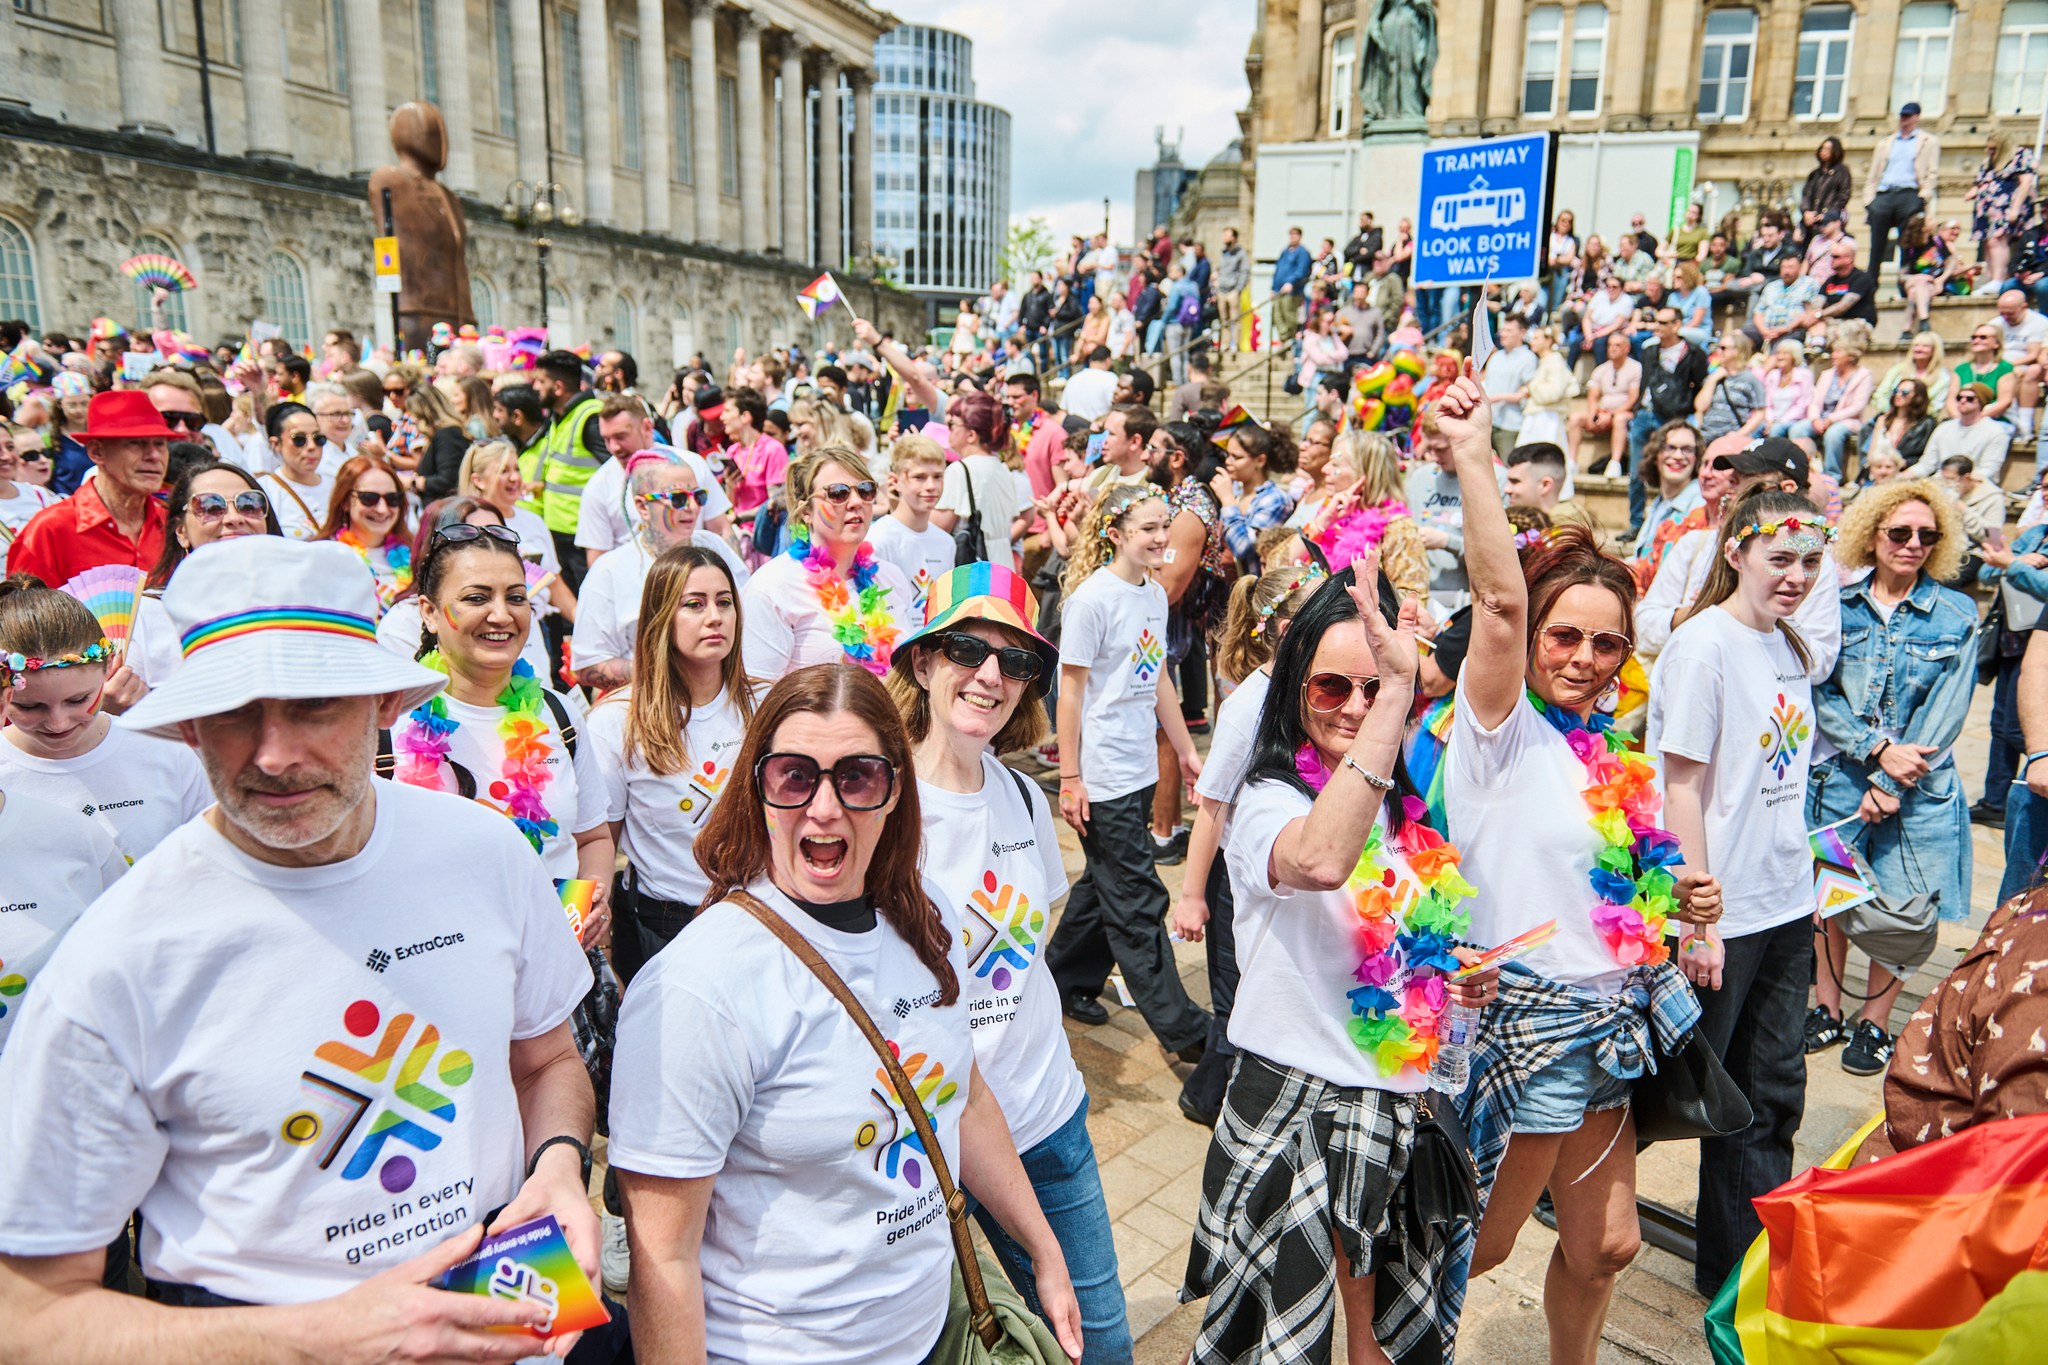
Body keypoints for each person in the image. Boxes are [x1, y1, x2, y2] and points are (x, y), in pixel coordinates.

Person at [0, 535, 602, 1358]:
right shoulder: (119, 956)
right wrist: (320, 1337)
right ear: (188, 731)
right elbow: (27, 1317)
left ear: (385, 706)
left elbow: (546, 1061)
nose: (274, 755)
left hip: (503, 1288)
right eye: (235, 714)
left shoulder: (486, 851)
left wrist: (560, 1166)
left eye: (314, 706)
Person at [608, 663, 1084, 1364]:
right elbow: (663, 1260)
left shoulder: (928, 919)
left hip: (932, 1334)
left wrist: (1043, 1247)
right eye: (794, 775)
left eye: (857, 776)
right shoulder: (698, 988)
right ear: (757, 787)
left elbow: (966, 1094)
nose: (824, 807)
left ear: (895, 790)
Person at [1435, 374, 1715, 1363]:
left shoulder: (1610, 757)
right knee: (1471, 1250)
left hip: (1611, 1022)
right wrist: (1473, 452)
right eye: (1565, 635)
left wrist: (1674, 896)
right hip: (1519, 1024)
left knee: (1606, 1244)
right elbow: (1497, 606)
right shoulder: (1494, 733)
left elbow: (1616, 891)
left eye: (1606, 642)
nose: (1585, 657)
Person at [1180, 564, 1500, 1363]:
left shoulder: (1395, 806)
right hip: (1298, 1109)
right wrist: (1397, 692)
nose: (1355, 706)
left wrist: (1454, 976)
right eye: (1332, 688)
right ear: (1295, 687)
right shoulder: (1268, 800)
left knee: (1370, 1346)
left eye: (1372, 687)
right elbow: (1321, 860)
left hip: (1390, 1106)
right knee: (1288, 1347)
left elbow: (1394, 943)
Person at [883, 564, 1133, 1362]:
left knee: (1103, 1343)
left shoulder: (1022, 796)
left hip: (1046, 1118)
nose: (990, 674)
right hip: (921, 1146)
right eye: (966, 647)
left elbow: (1028, 955)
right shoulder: (877, 811)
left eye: (1016, 661)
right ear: (923, 662)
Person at [1649, 484, 1829, 1296]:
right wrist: (1697, 918)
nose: (1795, 575)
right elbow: (1680, 785)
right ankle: (1564, 1181)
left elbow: (1780, 774)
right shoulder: (1704, 645)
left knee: (1771, 1091)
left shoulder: (1790, 644)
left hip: (1789, 902)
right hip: (1724, 911)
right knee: (1674, 1084)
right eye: (1779, 557)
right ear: (1736, 552)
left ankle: (1740, 1267)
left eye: (1810, 561)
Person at [1806, 481, 1977, 1076]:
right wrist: (1875, 749)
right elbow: (1820, 689)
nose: (1912, 545)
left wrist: (1894, 780)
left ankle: (1875, 1022)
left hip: (1919, 789)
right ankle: (1826, 1007)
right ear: (1872, 533)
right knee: (1833, 897)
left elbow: (1947, 711)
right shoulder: (1837, 603)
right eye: (1899, 532)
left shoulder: (1958, 613)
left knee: (1903, 908)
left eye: (1927, 536)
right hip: (1841, 779)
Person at [1045, 482, 1211, 1057]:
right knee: (1138, 898)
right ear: (1114, 533)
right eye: (1147, 527)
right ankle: (1187, 1031)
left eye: (1163, 524)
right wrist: (1070, 778)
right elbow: (1070, 694)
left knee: (1105, 881)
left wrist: (1184, 748)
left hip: (1140, 768)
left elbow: (1158, 674)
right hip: (1103, 773)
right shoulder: (1093, 600)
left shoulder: (1153, 596)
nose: (1161, 536)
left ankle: (1061, 979)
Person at [1170, 560, 1327, 1128]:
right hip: (1234, 876)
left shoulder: (1299, 691)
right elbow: (1211, 805)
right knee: (1236, 996)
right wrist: (1191, 895)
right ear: (1281, 628)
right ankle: (1209, 1097)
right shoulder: (1246, 705)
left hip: (1272, 870)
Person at [589, 544, 758, 988]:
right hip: (662, 931)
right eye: (694, 605)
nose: (715, 617)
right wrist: (602, 954)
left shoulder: (764, 705)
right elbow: (597, 841)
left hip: (758, 919)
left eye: (724, 603)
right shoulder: (616, 720)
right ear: (661, 617)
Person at [0, 571, 210, 863]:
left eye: (78, 700)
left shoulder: (167, 755)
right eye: (29, 707)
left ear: (109, 666)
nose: (58, 722)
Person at [0, 641, 125, 1054]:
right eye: (38, 707)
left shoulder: (77, 838)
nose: (57, 723)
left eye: (77, 699)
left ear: (4, 698)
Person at [1638, 439, 1842, 677]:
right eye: (1779, 560)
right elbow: (1643, 628)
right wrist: (1700, 612)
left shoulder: (1814, 564)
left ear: (1785, 488)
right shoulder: (1696, 544)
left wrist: (1758, 621)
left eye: (1748, 473)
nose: (1731, 480)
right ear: (1734, 556)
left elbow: (1820, 661)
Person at [572, 452, 749, 690]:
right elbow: (588, 666)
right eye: (677, 498)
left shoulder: (715, 547)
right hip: (649, 709)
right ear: (642, 506)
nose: (692, 507)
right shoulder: (609, 571)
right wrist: (669, 671)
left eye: (698, 496)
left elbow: (749, 619)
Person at [740, 447, 914, 681]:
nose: (855, 502)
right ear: (805, 512)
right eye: (838, 493)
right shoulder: (772, 587)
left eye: (865, 490)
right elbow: (757, 695)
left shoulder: (890, 576)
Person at [125, 461, 284, 694]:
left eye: (249, 504)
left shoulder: (302, 604)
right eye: (210, 507)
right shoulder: (147, 616)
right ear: (181, 532)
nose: (234, 518)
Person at [5, 391, 170, 585]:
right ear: (96, 452)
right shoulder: (50, 529)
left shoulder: (171, 522)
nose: (154, 456)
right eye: (136, 443)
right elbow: (22, 612)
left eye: (160, 444)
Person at [867, 434, 955, 614]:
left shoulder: (946, 543)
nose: (931, 486)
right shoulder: (878, 539)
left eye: (938, 476)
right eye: (919, 477)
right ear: (895, 481)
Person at [317, 453, 414, 617]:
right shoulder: (324, 556)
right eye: (369, 498)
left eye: (392, 498)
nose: (382, 509)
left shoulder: (415, 555)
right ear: (345, 501)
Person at [933, 392, 1022, 566]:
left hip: (976, 570)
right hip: (1004, 563)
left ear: (971, 435)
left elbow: (936, 529)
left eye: (952, 424)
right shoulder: (1001, 468)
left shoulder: (960, 470)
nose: (948, 429)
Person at [1867, 103, 1941, 274]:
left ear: (1917, 117)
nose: (1904, 119)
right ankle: (1870, 286)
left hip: (1910, 193)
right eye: (1902, 116)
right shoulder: (1885, 143)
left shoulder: (1928, 141)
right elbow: (1873, 175)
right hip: (1884, 194)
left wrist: (1923, 196)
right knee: (1877, 244)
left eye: (1908, 116)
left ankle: (1905, 282)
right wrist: (1869, 201)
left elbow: (1932, 172)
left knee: (1907, 243)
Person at [1214, 422, 1299, 568]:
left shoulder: (1276, 499)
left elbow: (1242, 547)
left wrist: (1227, 501)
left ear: (1260, 460)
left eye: (1237, 457)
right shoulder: (1236, 492)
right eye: (1227, 455)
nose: (1228, 461)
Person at [1630, 421, 1704, 581]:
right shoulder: (1659, 505)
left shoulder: (1700, 506)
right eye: (1670, 447)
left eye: (1687, 449)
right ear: (1656, 456)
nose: (1678, 456)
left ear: (1697, 459)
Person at [1791, 342, 1875, 480]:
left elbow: (1858, 406)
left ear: (1851, 356)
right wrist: (1815, 419)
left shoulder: (1864, 375)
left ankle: (1832, 475)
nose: (1833, 355)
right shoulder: (1827, 374)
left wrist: (1831, 419)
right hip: (1821, 418)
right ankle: (1800, 469)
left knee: (1834, 433)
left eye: (1838, 352)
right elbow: (1815, 401)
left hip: (1848, 420)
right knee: (1798, 429)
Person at [253, 400, 332, 541]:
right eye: (299, 439)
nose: (311, 447)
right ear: (276, 444)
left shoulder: (337, 485)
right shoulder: (263, 491)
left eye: (318, 438)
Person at [1971, 132, 2038, 294]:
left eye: (1993, 149)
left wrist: (2015, 207)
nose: (1990, 152)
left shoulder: (2021, 155)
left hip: (2007, 206)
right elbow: (1981, 181)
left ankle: (1998, 279)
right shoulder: (1989, 162)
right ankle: (1991, 278)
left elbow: (2026, 183)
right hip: (1987, 209)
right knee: (1987, 243)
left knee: (1996, 240)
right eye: (1988, 149)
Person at [1911, 382, 2013, 484]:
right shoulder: (1944, 428)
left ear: (1981, 402)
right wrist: (1901, 475)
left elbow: (1988, 470)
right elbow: (1926, 464)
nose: (1963, 401)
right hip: (1941, 483)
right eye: (1959, 397)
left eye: (1970, 398)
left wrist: (1955, 480)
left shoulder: (1996, 432)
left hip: (1975, 486)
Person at [1566, 332, 1638, 475]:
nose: (1612, 349)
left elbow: (1633, 398)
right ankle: (1572, 462)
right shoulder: (1601, 369)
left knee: (1620, 419)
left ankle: (1615, 463)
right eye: (1610, 345)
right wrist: (1594, 415)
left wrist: (1611, 415)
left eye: (1617, 345)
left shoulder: (1636, 368)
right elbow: (1593, 396)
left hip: (1623, 414)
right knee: (1575, 418)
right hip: (1602, 413)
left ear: (1627, 348)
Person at [1898, 217, 1975, 341]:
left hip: (1932, 285)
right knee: (1920, 282)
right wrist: (1919, 276)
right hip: (1912, 281)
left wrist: (1942, 279)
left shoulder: (1937, 241)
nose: (1934, 221)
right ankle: (1924, 320)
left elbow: (1950, 262)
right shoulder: (1909, 246)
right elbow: (1902, 276)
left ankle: (1907, 329)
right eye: (1930, 220)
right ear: (1923, 227)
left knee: (1914, 293)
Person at [1482, 315, 1539, 462]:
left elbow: (1527, 392)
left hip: (1511, 424)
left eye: (1508, 330)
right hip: (1488, 421)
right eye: (1502, 329)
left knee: (1509, 467)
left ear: (1522, 332)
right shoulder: (1496, 357)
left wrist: (1497, 398)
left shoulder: (1529, 358)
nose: (1503, 333)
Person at [1695, 331, 1768, 445]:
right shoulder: (1714, 376)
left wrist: (1740, 434)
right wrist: (1712, 380)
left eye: (1723, 348)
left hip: (1730, 438)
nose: (1718, 351)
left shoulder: (1750, 379)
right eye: (1717, 347)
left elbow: (1760, 413)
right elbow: (1700, 407)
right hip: (1706, 436)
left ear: (1737, 351)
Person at [1862, 377, 1938, 478]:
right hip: (1878, 475)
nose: (1898, 394)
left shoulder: (1926, 424)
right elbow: (1871, 454)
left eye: (1905, 392)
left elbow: (1923, 458)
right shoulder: (1883, 419)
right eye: (1896, 391)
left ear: (1917, 397)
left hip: (1906, 476)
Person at [1874, 331, 1950, 414]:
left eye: (1925, 346)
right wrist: (1893, 413)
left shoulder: (1943, 377)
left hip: (1922, 422)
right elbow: (1880, 395)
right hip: (1890, 415)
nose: (1919, 349)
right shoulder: (1897, 370)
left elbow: (1936, 406)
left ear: (1934, 351)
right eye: (1916, 345)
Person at [1801, 137, 1853, 245]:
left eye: (1828, 149)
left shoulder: (1842, 171)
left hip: (1829, 219)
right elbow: (1806, 194)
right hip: (1811, 220)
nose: (1823, 152)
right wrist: (1806, 211)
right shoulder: (1815, 174)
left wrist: (1828, 214)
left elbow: (1844, 195)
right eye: (1822, 148)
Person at [1272, 226, 1312, 338]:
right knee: (1277, 315)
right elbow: (1278, 269)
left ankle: (1290, 339)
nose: (1293, 237)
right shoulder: (1285, 252)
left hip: (1293, 291)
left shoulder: (1303, 252)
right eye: (1291, 235)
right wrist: (1273, 287)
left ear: (1300, 237)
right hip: (1279, 290)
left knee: (1289, 315)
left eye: (1295, 235)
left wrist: (1291, 283)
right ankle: (1284, 338)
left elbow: (1302, 271)